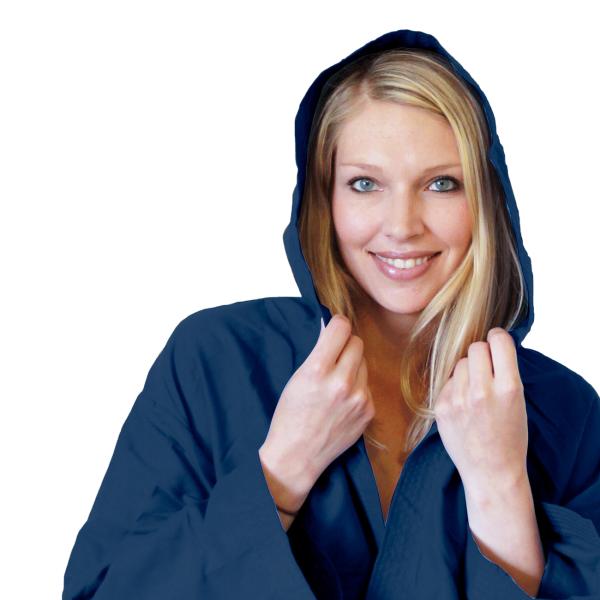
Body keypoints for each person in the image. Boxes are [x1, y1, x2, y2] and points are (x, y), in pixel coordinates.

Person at [62, 28, 600, 600]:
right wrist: (281, 471)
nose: (401, 225)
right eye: (364, 183)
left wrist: (500, 487)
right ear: (324, 201)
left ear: (488, 202)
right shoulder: (215, 362)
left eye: (442, 184)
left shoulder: (563, 410)